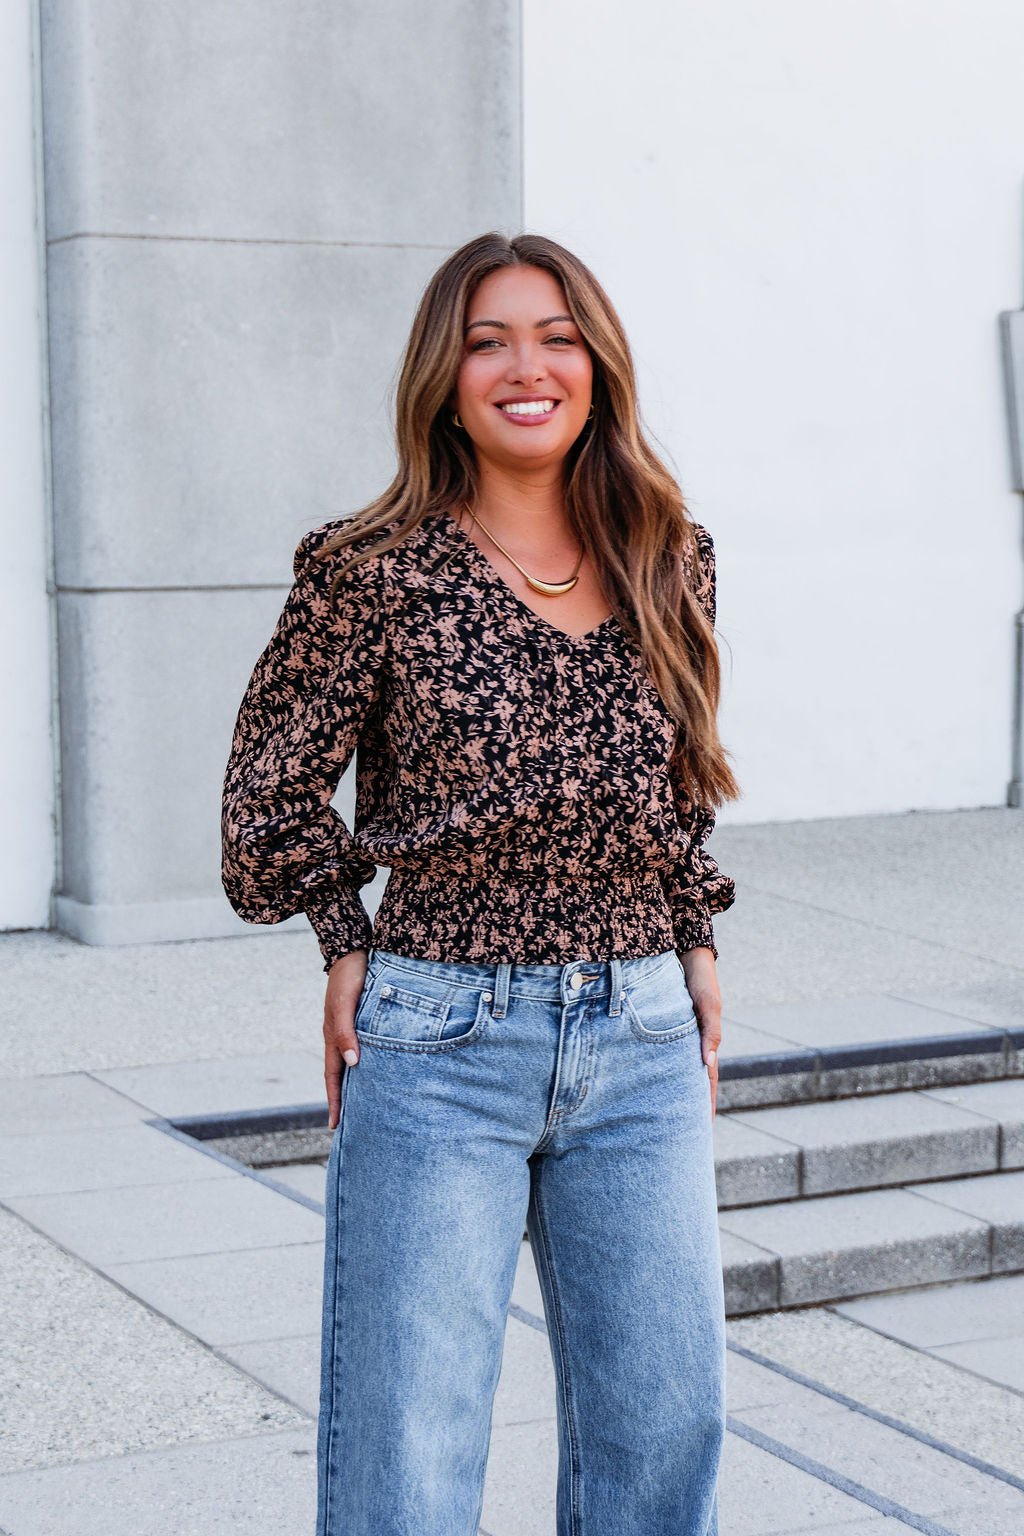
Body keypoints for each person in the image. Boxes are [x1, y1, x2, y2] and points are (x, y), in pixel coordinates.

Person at [221, 231, 740, 1536]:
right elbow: (271, 793)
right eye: (489, 338)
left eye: (558, 335)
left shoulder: (670, 553)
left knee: (664, 1431)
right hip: (440, 1029)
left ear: (598, 364)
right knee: (410, 1449)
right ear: (443, 376)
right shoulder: (371, 568)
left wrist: (694, 942)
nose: (527, 365)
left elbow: (676, 788)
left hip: (639, 1029)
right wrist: (345, 939)